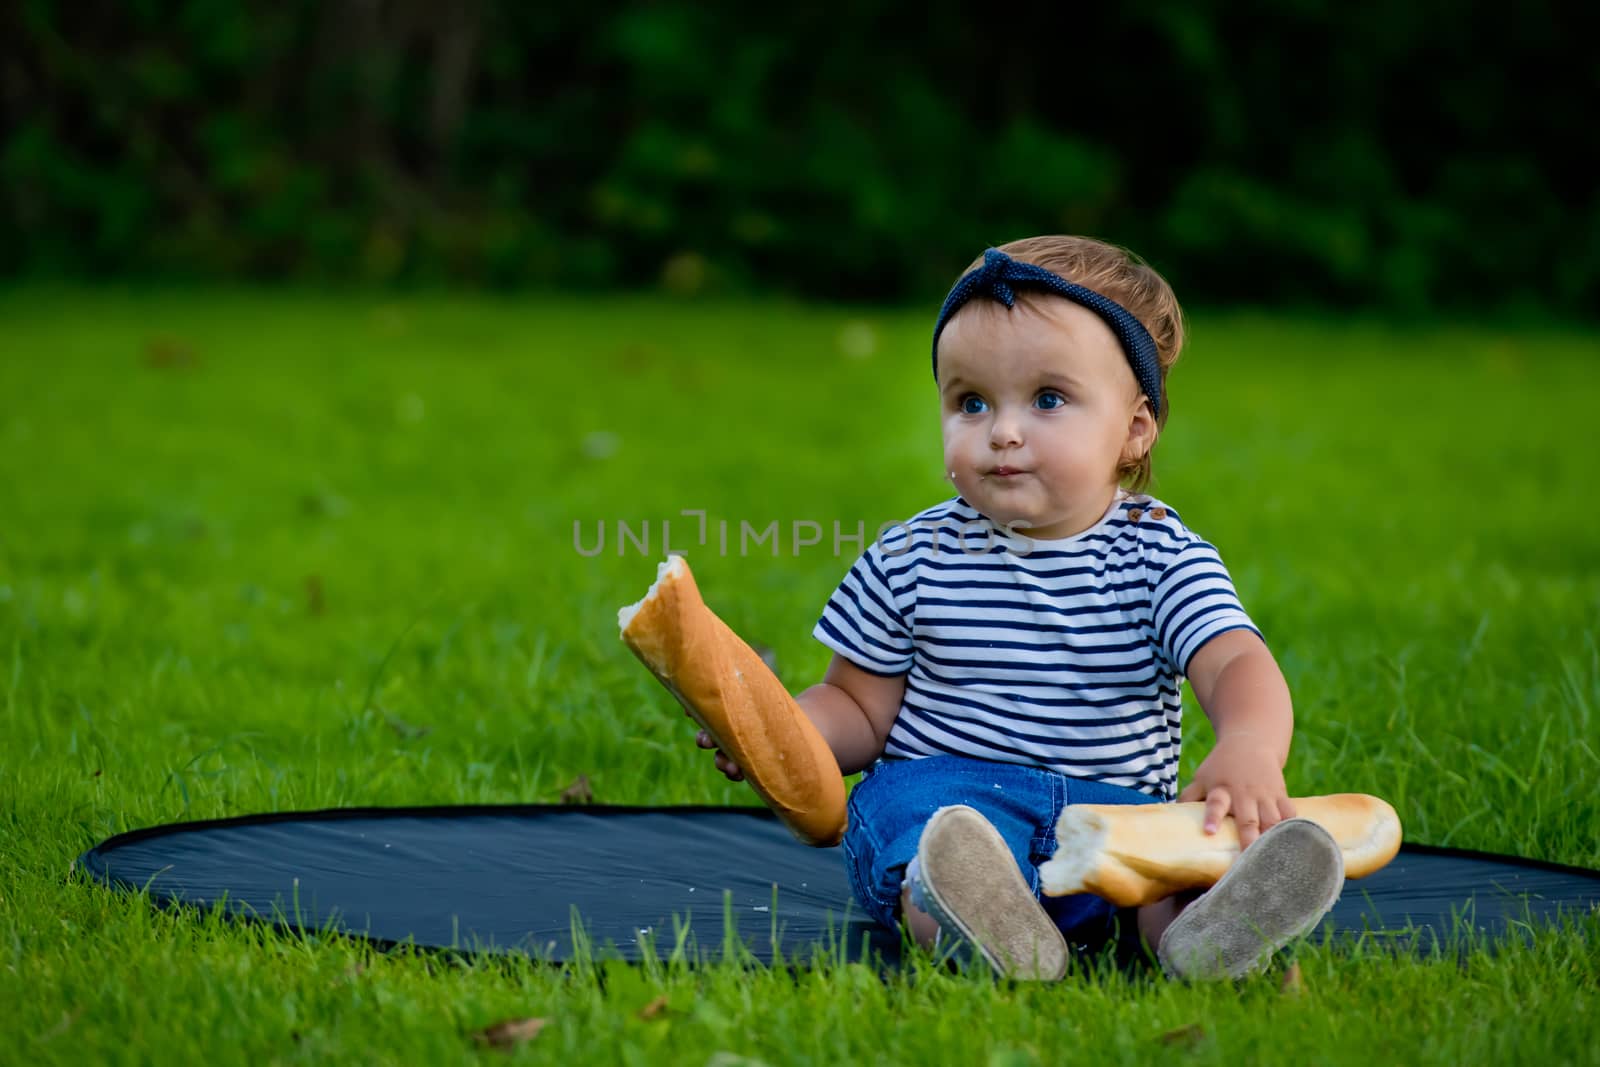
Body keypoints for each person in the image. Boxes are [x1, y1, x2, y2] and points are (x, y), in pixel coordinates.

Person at [694, 235, 1344, 980]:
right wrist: (778, 730)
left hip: (1113, 820)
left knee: (1176, 856)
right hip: (953, 801)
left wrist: (1251, 745)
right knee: (919, 833)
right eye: (970, 402)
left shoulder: (1160, 553)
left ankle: (1208, 929)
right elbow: (859, 709)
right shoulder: (912, 556)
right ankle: (984, 920)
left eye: (1048, 399)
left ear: (1134, 429)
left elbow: (1234, 660)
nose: (1002, 430)